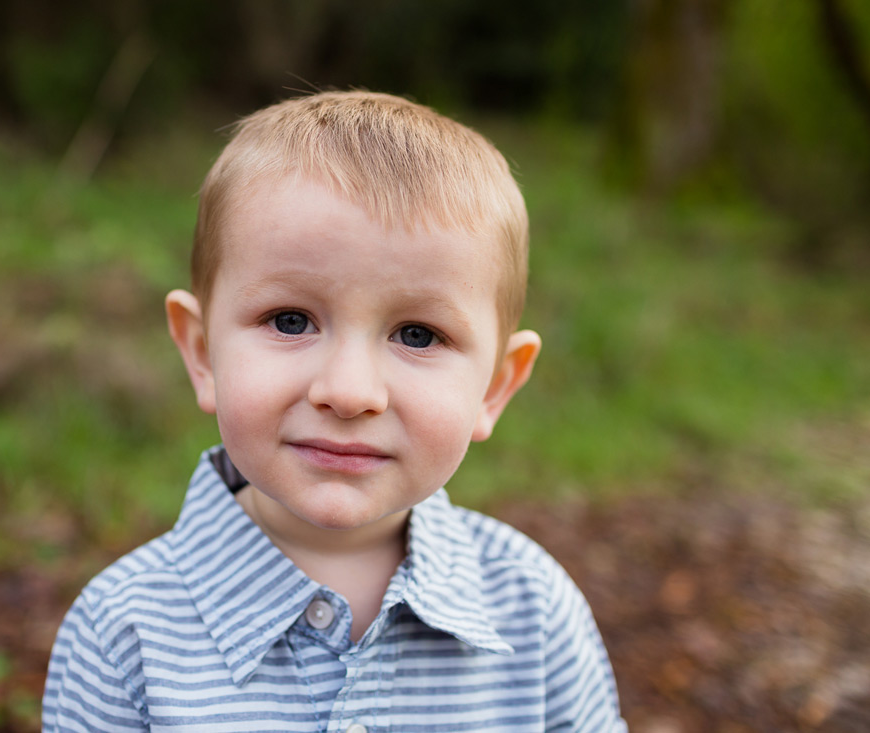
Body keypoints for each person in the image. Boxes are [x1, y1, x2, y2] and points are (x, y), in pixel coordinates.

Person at [43, 91, 626, 732]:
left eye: (418, 335)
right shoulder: (124, 636)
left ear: (494, 387)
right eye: (291, 321)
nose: (349, 392)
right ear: (203, 352)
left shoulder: (535, 613)